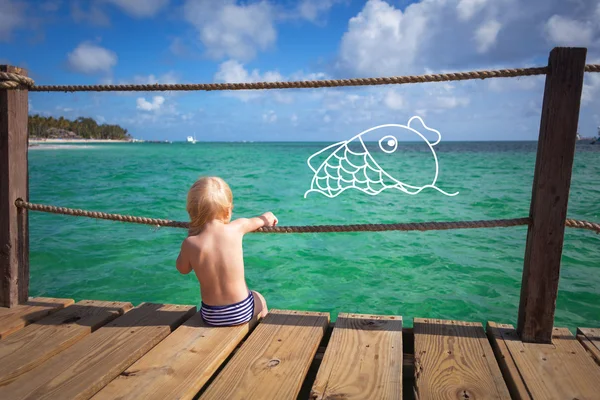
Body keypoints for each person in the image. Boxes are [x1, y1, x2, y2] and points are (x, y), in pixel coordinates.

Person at [176, 176, 275, 326]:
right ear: (228, 211)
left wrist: (191, 236)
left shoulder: (190, 243)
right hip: (242, 311)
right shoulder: (237, 227)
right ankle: (259, 333)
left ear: (191, 212)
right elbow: (261, 220)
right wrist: (268, 217)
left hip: (211, 315)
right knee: (260, 298)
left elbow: (182, 269)